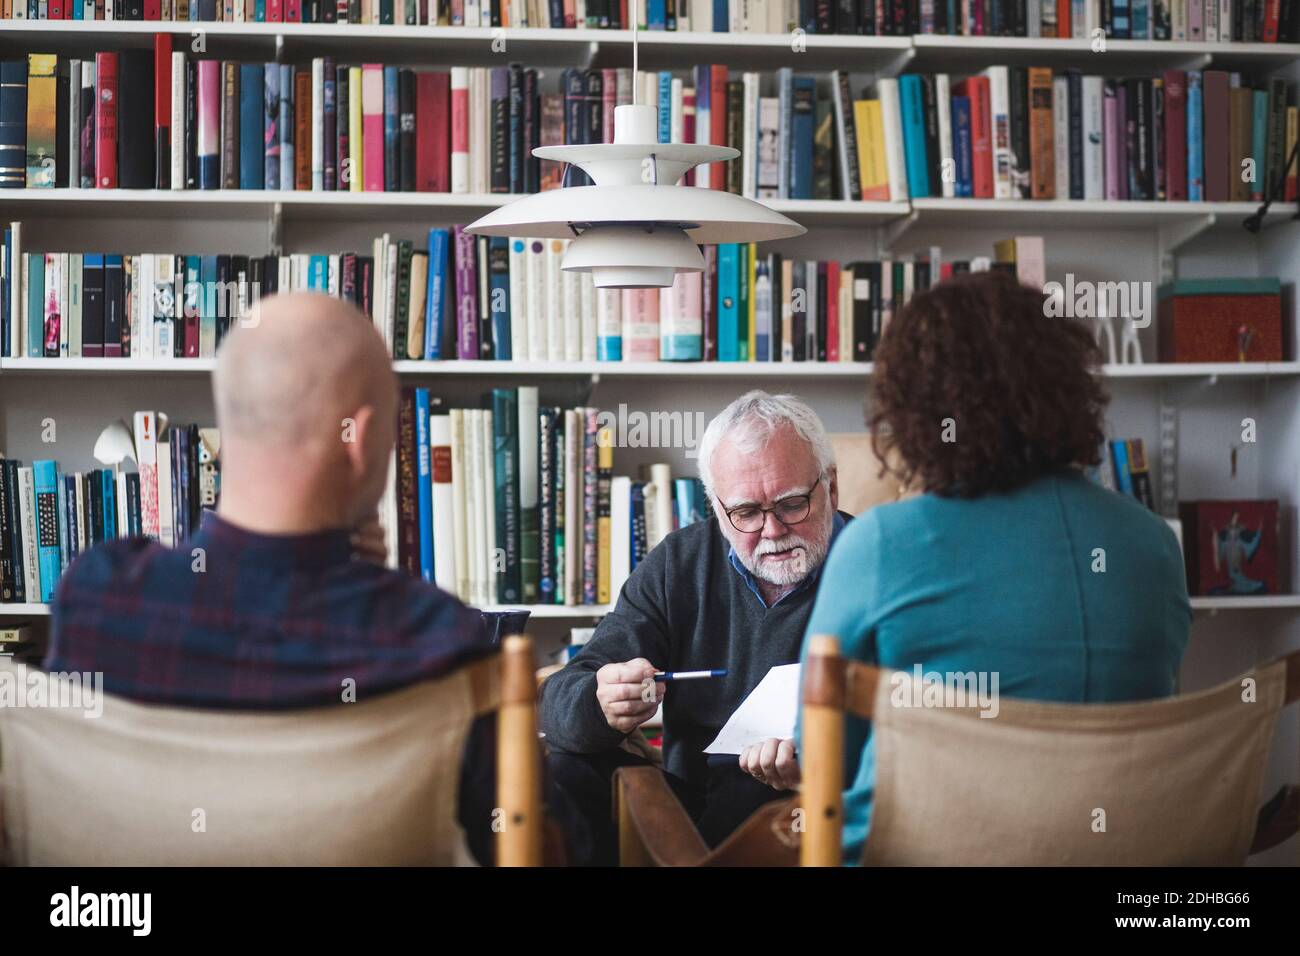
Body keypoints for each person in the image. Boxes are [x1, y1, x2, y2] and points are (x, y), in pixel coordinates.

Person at [45, 292, 499, 861]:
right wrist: (375, 592)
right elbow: (539, 850)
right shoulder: (439, 642)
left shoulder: (96, 599)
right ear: (356, 440)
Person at [798, 270, 1192, 863]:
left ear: (912, 410)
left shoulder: (881, 543)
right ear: (1068, 389)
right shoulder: (1153, 544)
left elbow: (823, 758)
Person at [539, 391, 851, 865]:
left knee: (760, 800)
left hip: (813, 806)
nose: (771, 531)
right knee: (567, 770)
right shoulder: (680, 562)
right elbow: (561, 699)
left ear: (830, 487)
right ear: (716, 506)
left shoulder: (874, 564)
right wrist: (600, 702)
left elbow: (917, 725)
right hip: (687, 802)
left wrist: (824, 761)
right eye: (746, 513)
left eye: (791, 504)